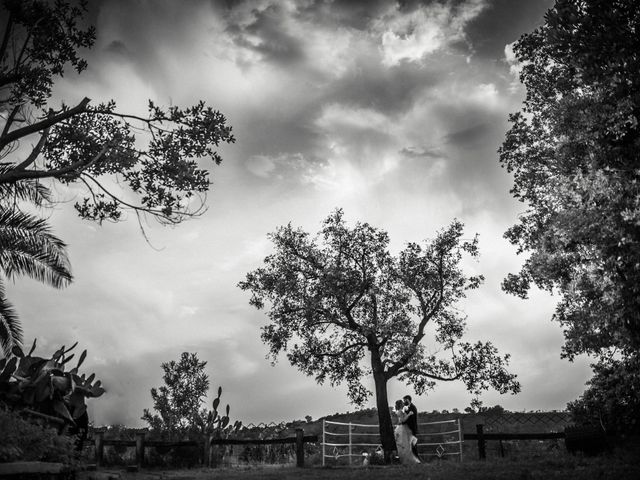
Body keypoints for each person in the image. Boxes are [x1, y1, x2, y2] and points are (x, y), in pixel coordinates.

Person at [394, 399, 420, 464]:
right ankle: (405, 460)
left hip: (404, 428)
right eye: (402, 403)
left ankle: (407, 459)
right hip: (402, 429)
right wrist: (409, 415)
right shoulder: (400, 411)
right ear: (400, 404)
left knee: (407, 444)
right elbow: (402, 420)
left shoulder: (401, 411)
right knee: (404, 444)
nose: (403, 404)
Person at [402, 395, 421, 460]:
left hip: (412, 429)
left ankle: (416, 459)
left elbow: (411, 419)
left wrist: (403, 421)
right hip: (407, 429)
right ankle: (412, 459)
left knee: (413, 445)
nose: (404, 401)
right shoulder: (406, 408)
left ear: (408, 400)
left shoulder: (413, 407)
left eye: (405, 400)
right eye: (404, 400)